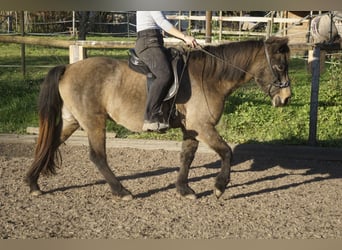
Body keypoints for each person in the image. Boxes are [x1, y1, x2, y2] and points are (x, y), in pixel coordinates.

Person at [135, 11, 198, 132]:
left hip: (155, 41)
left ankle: (172, 110)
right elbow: (162, 22)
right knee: (164, 75)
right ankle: (150, 117)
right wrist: (184, 37)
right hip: (148, 43)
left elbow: (162, 22)